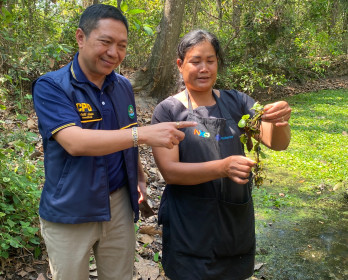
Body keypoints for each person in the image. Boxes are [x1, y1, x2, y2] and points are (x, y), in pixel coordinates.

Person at [32, 4, 195, 280]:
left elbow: (126, 133)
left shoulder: (122, 86)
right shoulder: (52, 86)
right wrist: (143, 134)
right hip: (71, 208)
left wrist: (140, 177)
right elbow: (74, 142)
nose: (114, 53)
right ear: (81, 38)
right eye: (105, 42)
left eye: (121, 45)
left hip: (119, 203)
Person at [151, 29, 291, 280]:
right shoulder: (168, 111)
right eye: (195, 61)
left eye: (210, 60)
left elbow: (276, 143)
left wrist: (280, 120)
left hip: (233, 225)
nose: (204, 68)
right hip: (188, 226)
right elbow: (170, 172)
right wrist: (222, 167)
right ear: (180, 65)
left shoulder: (237, 102)